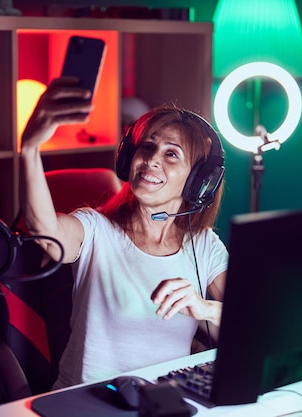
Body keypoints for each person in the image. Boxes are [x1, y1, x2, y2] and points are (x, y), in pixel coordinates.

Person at [19, 76, 228, 389]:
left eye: (172, 154)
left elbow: (250, 318)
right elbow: (44, 228)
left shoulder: (204, 245)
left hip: (163, 401)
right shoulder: (95, 229)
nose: (152, 160)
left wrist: (206, 308)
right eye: (147, 146)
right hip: (88, 400)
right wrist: (30, 148)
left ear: (200, 181)